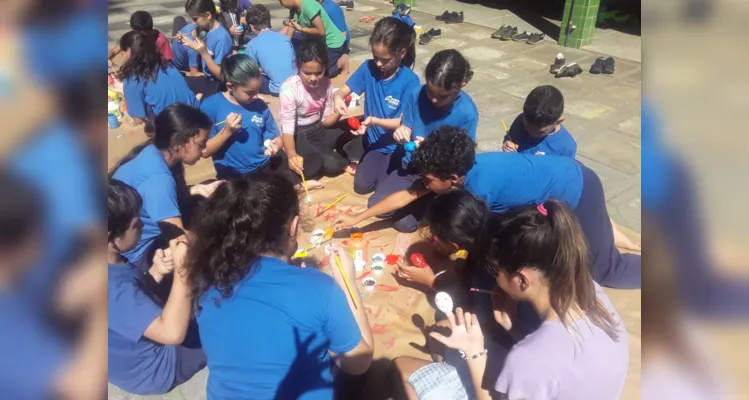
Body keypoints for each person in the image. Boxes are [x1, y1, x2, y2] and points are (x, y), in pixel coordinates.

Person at [334, 126, 641, 289]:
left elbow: (484, 251)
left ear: (452, 179)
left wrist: (438, 279)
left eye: (428, 180)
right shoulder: (461, 171)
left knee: (600, 271)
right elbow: (406, 195)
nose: (423, 185)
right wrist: (358, 219)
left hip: (578, 189)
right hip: (547, 190)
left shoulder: (479, 192)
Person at [393, 200, 629, 400]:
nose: (495, 281)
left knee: (401, 367)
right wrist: (513, 326)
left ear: (521, 279)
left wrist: (474, 352)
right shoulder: (593, 293)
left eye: (496, 273)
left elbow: (538, 362)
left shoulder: (528, 359)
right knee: (443, 336)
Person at [186, 173, 374, 399]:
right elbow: (359, 362)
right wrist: (347, 282)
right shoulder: (318, 288)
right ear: (293, 227)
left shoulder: (206, 277)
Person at [353, 49, 477, 233]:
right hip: (410, 163)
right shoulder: (416, 94)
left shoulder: (467, 113)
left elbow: (461, 159)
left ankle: (429, 203)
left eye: (442, 96)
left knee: (404, 224)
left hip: (436, 176)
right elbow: (407, 125)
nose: (434, 99)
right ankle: (392, 182)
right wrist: (403, 131)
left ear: (461, 85)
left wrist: (431, 154)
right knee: (376, 205)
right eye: (430, 91)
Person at [107, 180, 207, 395]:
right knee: (225, 320)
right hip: (157, 368)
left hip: (133, 361)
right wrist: (184, 270)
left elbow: (129, 304)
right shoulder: (111, 288)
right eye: (136, 224)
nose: (143, 225)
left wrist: (156, 272)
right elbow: (172, 333)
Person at [109, 103, 223, 271]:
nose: (204, 150)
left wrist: (195, 189)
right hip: (139, 253)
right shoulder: (159, 179)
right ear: (180, 142)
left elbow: (150, 197)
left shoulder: (151, 152)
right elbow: (178, 241)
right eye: (201, 144)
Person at [332, 17, 420, 198]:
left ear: (401, 53)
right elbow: (344, 90)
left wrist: (375, 121)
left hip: (397, 145)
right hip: (375, 143)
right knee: (362, 186)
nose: (379, 63)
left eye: (385, 59)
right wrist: (338, 97)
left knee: (383, 190)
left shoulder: (410, 81)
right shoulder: (368, 68)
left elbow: (403, 122)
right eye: (375, 57)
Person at [280, 37, 363, 181]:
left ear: (325, 68)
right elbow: (287, 129)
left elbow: (326, 122)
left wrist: (339, 111)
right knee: (331, 162)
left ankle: (349, 152)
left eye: (318, 73)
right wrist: (292, 153)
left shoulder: (326, 84)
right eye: (307, 73)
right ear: (298, 67)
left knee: (360, 123)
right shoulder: (289, 89)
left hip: (320, 128)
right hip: (300, 134)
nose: (313, 78)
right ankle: (344, 162)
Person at [199, 54, 293, 181]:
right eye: (249, 92)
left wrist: (275, 145)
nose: (256, 96)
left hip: (263, 166)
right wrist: (227, 132)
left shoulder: (259, 105)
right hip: (233, 175)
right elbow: (204, 151)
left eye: (257, 90)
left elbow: (274, 137)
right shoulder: (211, 106)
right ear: (230, 86)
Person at [117, 31, 199, 133]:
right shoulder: (167, 65)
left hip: (177, 130)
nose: (121, 56)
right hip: (197, 116)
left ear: (129, 51)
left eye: (122, 53)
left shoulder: (133, 78)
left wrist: (124, 94)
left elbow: (138, 119)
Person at [172, 0, 233, 97]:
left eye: (195, 19)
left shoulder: (221, 38)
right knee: (175, 79)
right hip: (207, 79)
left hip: (216, 84)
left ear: (208, 15)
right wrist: (191, 44)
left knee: (179, 86)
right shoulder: (207, 31)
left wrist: (203, 53)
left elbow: (220, 74)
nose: (193, 23)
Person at [503, 85, 577, 158]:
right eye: (527, 127)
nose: (531, 133)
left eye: (540, 132)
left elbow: (566, 169)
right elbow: (510, 138)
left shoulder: (566, 146)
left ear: (559, 121)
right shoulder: (520, 121)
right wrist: (507, 144)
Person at [279, 0, 348, 77]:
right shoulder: (294, 9)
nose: (281, 5)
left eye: (281, 1)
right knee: (295, 46)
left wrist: (301, 29)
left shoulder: (308, 6)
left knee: (322, 73)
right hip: (317, 41)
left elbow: (321, 31)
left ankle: (341, 62)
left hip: (333, 43)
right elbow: (288, 36)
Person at [244, 4, 297, 96]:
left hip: (277, 89)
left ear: (252, 26)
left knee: (249, 76)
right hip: (295, 86)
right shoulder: (284, 39)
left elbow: (250, 72)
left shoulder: (252, 45)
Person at [108, 11, 174, 65]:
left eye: (144, 34)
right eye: (138, 33)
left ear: (150, 30)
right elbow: (114, 51)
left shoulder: (160, 40)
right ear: (132, 29)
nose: (141, 37)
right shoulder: (133, 37)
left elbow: (168, 64)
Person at [318, 0, 351, 74]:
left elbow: (343, 34)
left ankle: (342, 60)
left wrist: (340, 52)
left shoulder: (331, 8)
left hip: (338, 41)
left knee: (324, 72)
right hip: (323, 38)